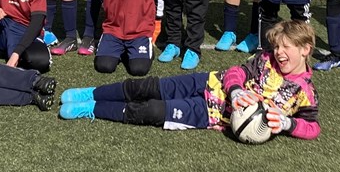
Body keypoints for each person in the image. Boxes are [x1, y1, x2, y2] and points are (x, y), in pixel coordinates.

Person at [58, 19, 320, 140]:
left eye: (286, 47)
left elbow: (312, 126)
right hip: (208, 82)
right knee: (147, 86)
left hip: (211, 113)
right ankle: (91, 93)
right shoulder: (265, 59)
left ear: (305, 49)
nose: (279, 52)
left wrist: (287, 123)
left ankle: (91, 109)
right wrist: (236, 91)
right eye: (277, 46)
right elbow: (236, 72)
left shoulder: (305, 92)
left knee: (151, 110)